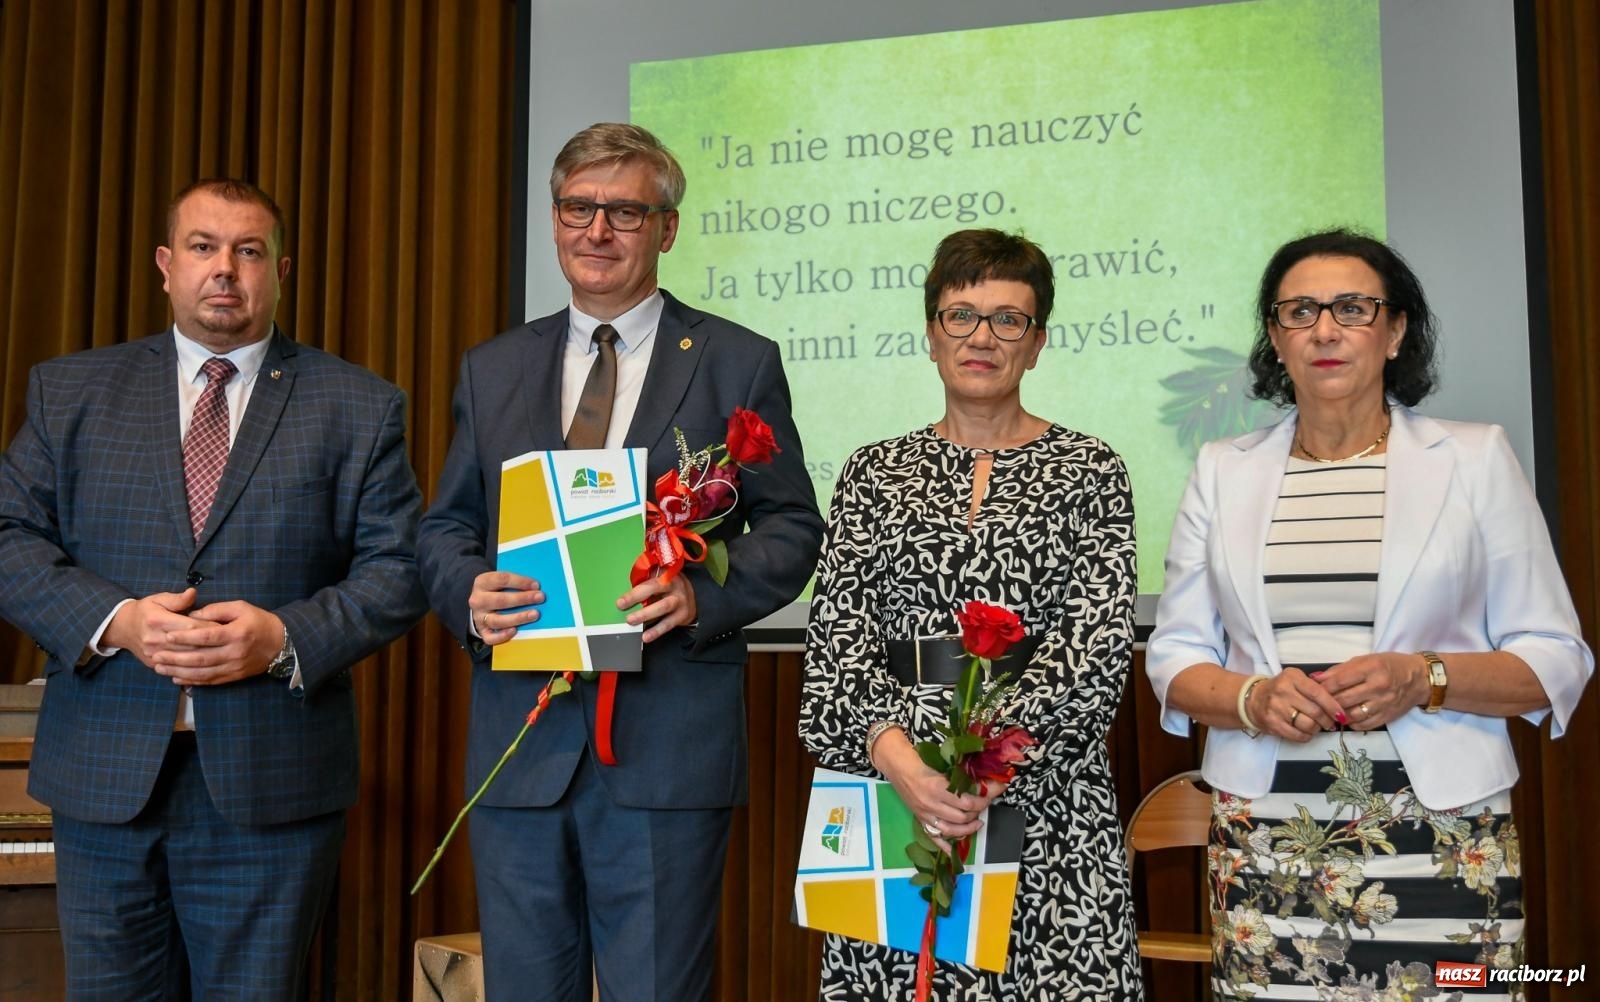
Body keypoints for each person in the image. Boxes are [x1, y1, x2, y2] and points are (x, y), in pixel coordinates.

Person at [416, 122, 823, 1002]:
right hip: (520, 747)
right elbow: (444, 528)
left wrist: (701, 595)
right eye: (578, 208)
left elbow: (793, 527)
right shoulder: (493, 368)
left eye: (625, 212)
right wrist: (468, 593)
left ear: (666, 229)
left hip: (663, 750)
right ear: (555, 221)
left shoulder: (737, 362)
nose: (597, 230)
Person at [0, 178, 426, 999]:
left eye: (248, 250)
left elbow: (401, 568)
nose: (224, 268)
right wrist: (116, 620)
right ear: (167, 265)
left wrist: (284, 639)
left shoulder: (359, 405)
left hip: (272, 787)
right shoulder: (71, 391)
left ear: (280, 271)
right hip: (102, 778)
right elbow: (8, 535)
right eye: (203, 247)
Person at [1145, 229, 1594, 999]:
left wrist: (1425, 677)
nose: (1325, 329)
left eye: (1352, 308)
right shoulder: (1223, 470)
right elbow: (1175, 657)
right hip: (1268, 841)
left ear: (1394, 332)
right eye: (1300, 312)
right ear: (1276, 339)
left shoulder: (1475, 458)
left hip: (1444, 838)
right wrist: (1252, 697)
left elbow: (1556, 655)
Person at [798, 228, 1144, 1000]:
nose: (981, 338)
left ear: (1037, 343)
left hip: (1044, 792)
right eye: (960, 316)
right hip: (893, 790)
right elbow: (837, 641)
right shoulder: (872, 471)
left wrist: (987, 768)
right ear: (931, 335)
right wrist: (902, 764)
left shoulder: (1092, 470)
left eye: (1008, 320)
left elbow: (1092, 646)